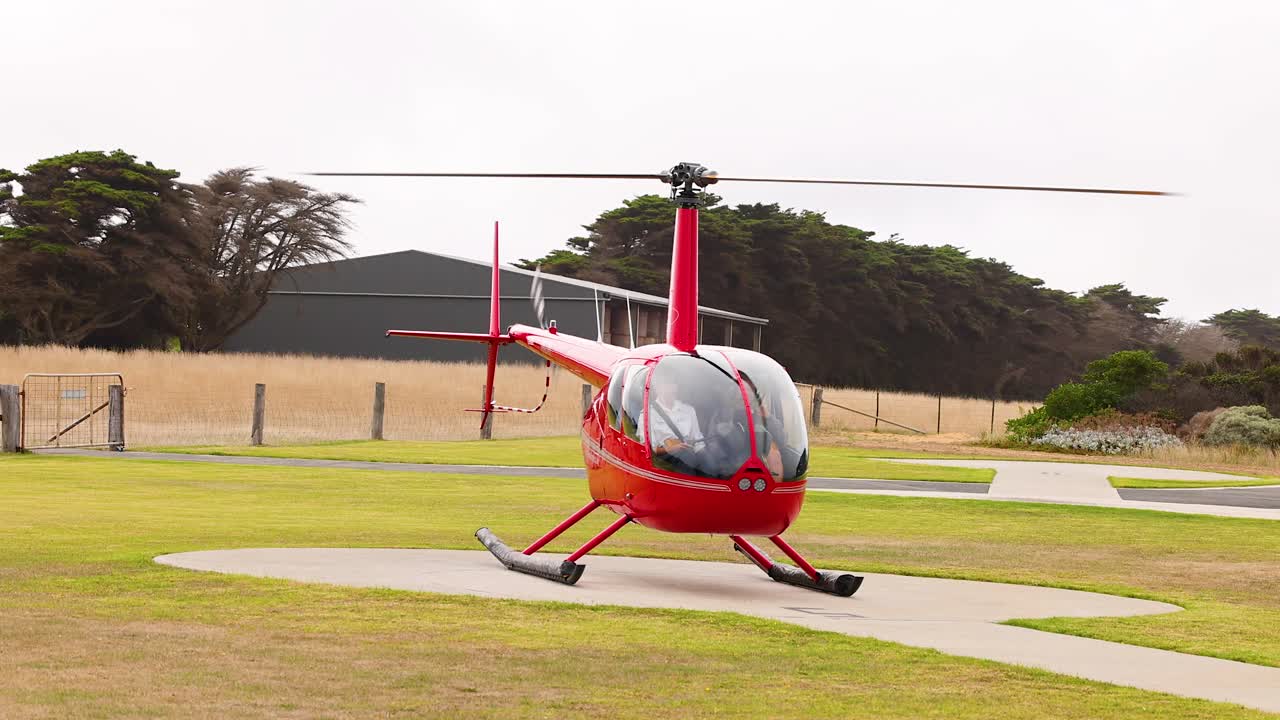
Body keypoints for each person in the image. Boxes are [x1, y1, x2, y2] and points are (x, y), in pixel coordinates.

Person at [648, 374, 704, 462]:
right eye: (665, 385)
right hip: (667, 457)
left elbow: (698, 440)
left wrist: (705, 457)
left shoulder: (689, 410)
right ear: (657, 389)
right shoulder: (649, 413)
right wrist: (670, 449)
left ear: (676, 388)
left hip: (690, 454)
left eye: (672, 384)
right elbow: (649, 448)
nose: (669, 388)